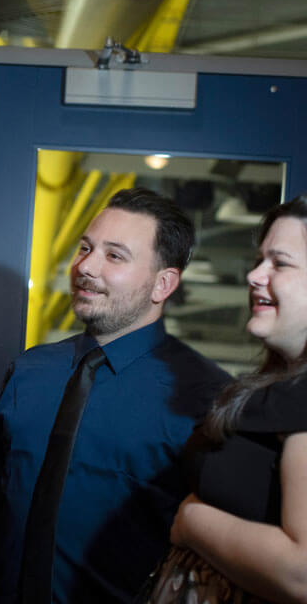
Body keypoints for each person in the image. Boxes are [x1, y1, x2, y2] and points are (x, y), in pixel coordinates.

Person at [0, 187, 233, 603]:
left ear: (163, 283)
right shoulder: (29, 372)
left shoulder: (202, 396)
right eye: (85, 248)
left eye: (114, 256)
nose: (86, 266)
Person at [139, 193, 307, 604]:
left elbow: (301, 574)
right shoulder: (280, 388)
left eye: (279, 263)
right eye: (259, 260)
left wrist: (193, 521)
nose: (254, 275)